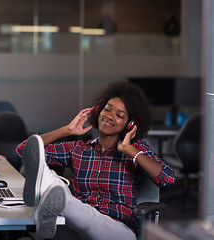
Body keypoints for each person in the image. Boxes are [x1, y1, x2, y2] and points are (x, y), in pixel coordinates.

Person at [16, 81, 176, 240]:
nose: (109, 116)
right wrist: (67, 130)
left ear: (130, 125)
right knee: (67, 218)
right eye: (107, 109)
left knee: (79, 211)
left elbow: (168, 179)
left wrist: (130, 150)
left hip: (119, 229)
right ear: (98, 111)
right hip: (79, 223)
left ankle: (51, 190)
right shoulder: (78, 149)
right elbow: (25, 150)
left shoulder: (136, 151)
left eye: (119, 115)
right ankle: (50, 188)